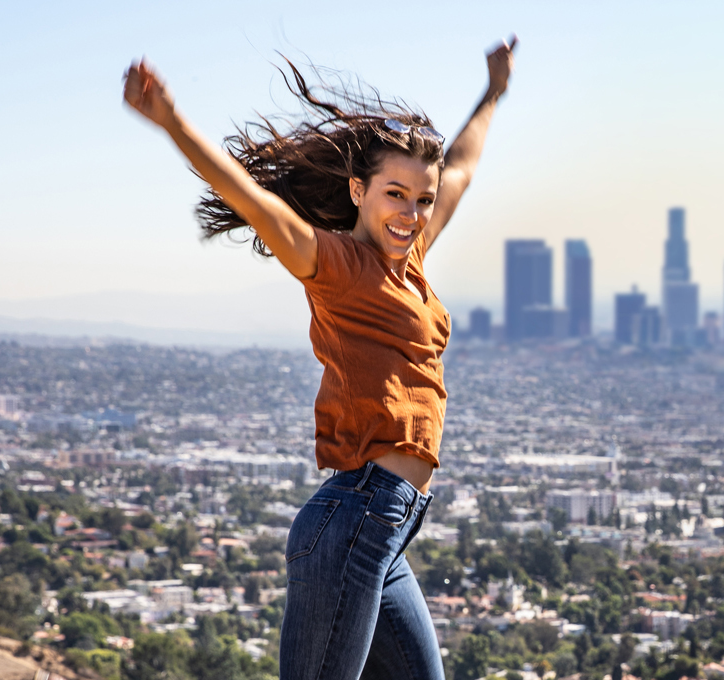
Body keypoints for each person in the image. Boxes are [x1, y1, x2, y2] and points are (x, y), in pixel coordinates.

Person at [122, 36, 516, 680]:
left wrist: (494, 93)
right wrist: (172, 122)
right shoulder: (335, 263)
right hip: (356, 517)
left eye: (421, 199)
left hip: (387, 531)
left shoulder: (409, 263)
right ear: (359, 190)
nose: (413, 213)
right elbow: (256, 202)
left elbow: (463, 168)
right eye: (395, 194)